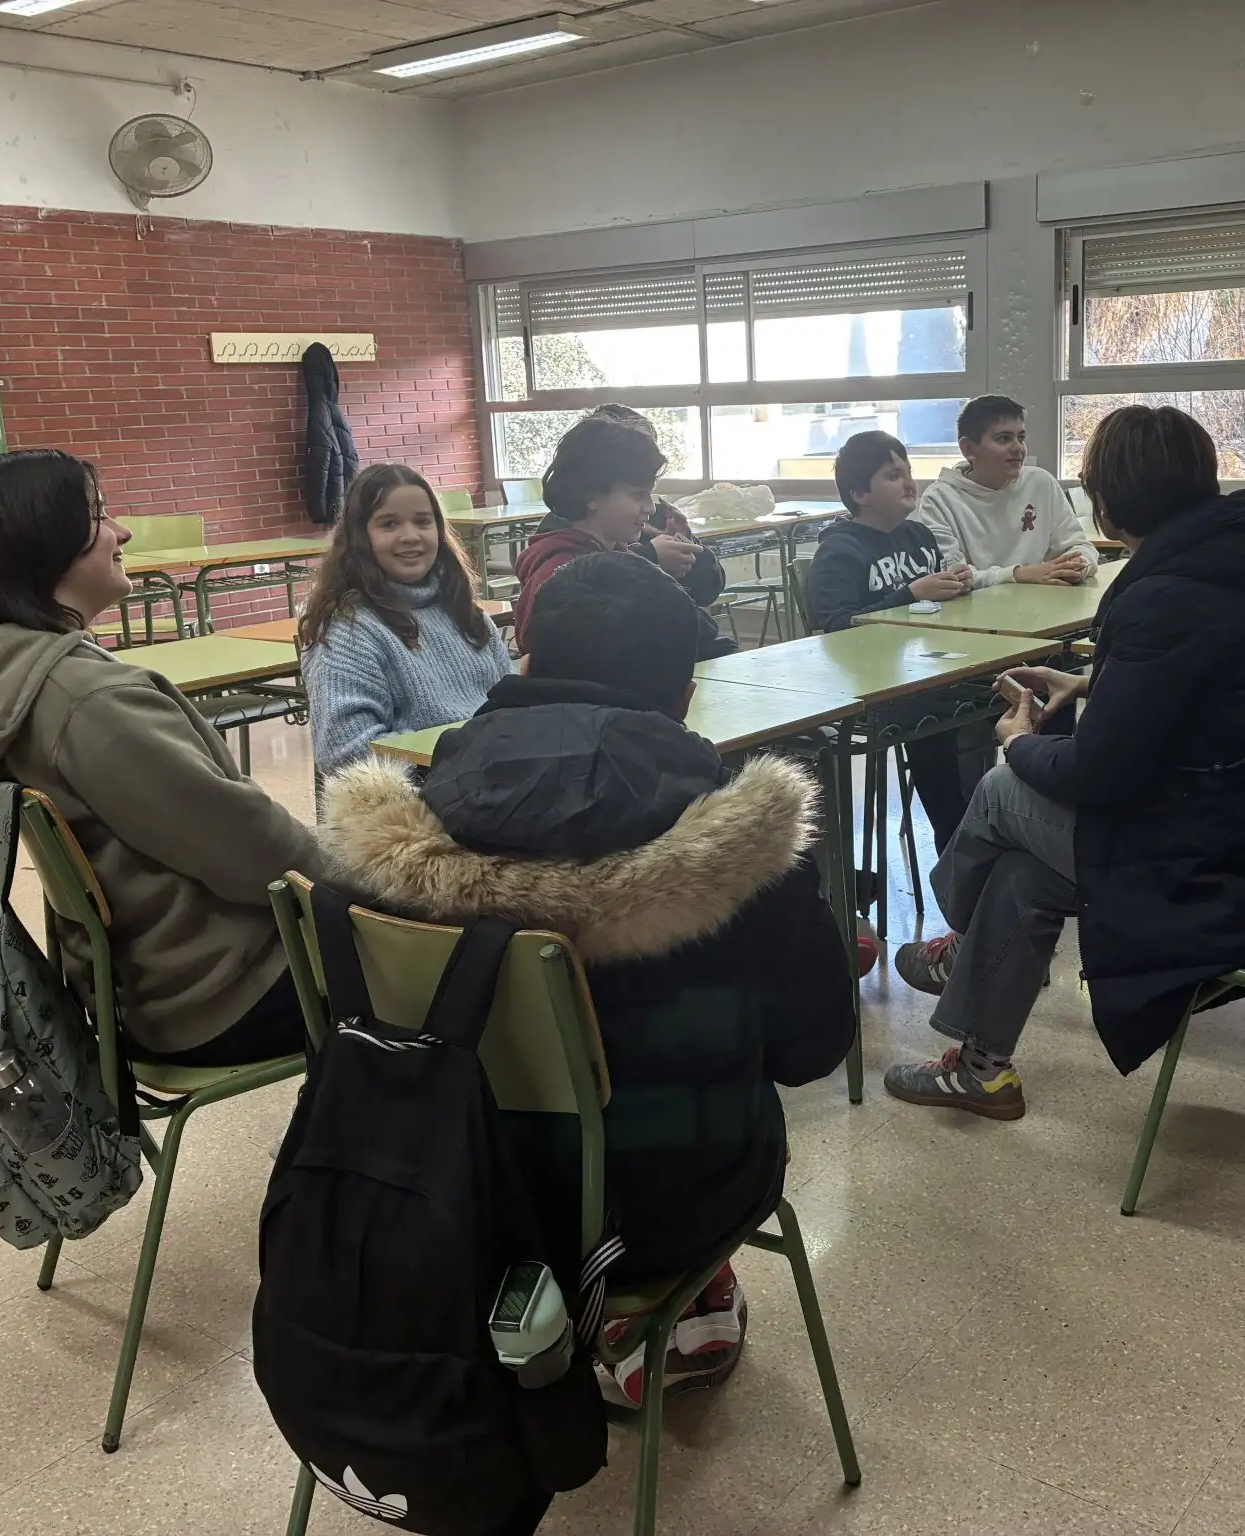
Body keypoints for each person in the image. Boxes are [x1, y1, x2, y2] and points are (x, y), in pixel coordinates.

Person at [322, 551, 855, 1402]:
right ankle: (671, 1304)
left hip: (447, 1189)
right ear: (685, 695)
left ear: (525, 663)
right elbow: (812, 1050)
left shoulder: (399, 832)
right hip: (673, 1202)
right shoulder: (746, 851)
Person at [884, 405, 1245, 1119]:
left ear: (1110, 504)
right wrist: (1093, 684)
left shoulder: (1162, 597)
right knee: (1023, 873)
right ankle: (983, 1070)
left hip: (1232, 873)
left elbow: (1097, 774)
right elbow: (1215, 687)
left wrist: (1018, 741)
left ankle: (958, 941)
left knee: (999, 789)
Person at [0, 449, 322, 1067]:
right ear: (42, 546)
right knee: (462, 957)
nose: (122, 532)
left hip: (144, 985)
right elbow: (250, 848)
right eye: (98, 516)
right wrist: (379, 889)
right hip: (224, 991)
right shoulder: (89, 701)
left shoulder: (2, 677)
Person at [807, 429, 983, 851]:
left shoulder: (918, 536)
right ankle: (957, 843)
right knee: (934, 718)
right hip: (873, 684)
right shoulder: (839, 551)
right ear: (860, 494)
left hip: (931, 666)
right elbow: (835, 628)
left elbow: (932, 607)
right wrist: (911, 595)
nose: (909, 482)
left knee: (1022, 687)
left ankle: (992, 823)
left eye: (908, 471)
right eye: (892, 475)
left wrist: (955, 586)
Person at [299, 463, 512, 779]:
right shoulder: (349, 630)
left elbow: (510, 701)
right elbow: (343, 752)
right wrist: (459, 756)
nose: (410, 536)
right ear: (360, 537)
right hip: (428, 792)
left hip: (500, 776)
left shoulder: (466, 613)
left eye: (423, 522)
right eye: (389, 524)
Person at [512, 415, 736, 658]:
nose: (650, 508)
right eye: (637, 495)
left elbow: (697, 631)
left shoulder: (621, 555)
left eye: (649, 494)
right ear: (592, 496)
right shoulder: (561, 572)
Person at [914, 394, 1099, 590]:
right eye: (1004, 438)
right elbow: (953, 577)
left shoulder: (1041, 482)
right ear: (968, 449)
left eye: (1021, 438)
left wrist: (1077, 567)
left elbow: (1081, 547)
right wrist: (1017, 575)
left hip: (1041, 603)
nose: (1018, 447)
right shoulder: (939, 499)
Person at [585, 402, 728, 609]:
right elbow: (589, 595)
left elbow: (707, 590)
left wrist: (687, 544)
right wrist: (651, 558)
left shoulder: (660, 515)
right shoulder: (565, 528)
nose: (649, 507)